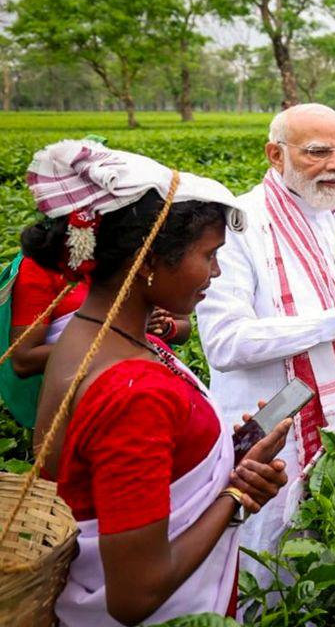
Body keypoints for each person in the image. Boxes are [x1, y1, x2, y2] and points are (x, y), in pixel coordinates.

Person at [23, 139, 291, 625]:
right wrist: (235, 497)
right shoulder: (133, 391)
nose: (216, 271)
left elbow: (142, 467)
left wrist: (228, 454)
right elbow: (135, 593)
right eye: (209, 255)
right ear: (147, 261)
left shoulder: (97, 334)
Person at [194, 103, 335, 596]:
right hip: (276, 431)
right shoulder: (240, 224)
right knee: (268, 564)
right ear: (276, 155)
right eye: (318, 152)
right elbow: (225, 342)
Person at [2, 254, 88, 427]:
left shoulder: (125, 248)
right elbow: (24, 360)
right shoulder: (40, 263)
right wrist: (119, 333)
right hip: (77, 403)